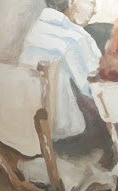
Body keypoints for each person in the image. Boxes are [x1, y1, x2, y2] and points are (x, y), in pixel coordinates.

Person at [19, 0, 102, 141]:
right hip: (64, 133)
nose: (94, 11)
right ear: (71, 2)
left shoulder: (35, 29)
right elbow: (95, 89)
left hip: (25, 127)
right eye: (90, 2)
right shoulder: (75, 38)